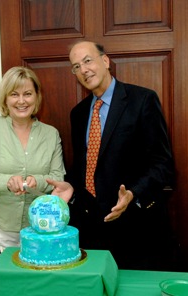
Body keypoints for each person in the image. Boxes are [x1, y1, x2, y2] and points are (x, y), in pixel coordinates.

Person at [47, 41, 175, 270]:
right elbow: (84, 167)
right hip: (91, 228)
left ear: (105, 61)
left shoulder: (142, 100)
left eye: (87, 60)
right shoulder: (78, 114)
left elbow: (162, 164)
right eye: (76, 66)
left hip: (136, 227)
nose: (83, 70)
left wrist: (133, 193)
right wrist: (71, 188)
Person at [0, 66, 65, 251]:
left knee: (36, 279)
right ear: (5, 98)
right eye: (14, 94)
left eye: (28, 93)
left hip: (40, 227)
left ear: (37, 96)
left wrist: (37, 181)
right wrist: (7, 181)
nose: (21, 101)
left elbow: (58, 177)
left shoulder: (51, 134)